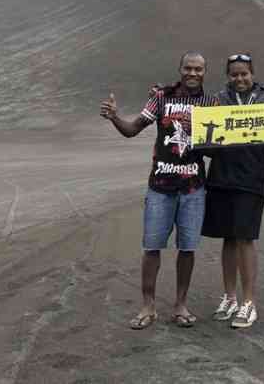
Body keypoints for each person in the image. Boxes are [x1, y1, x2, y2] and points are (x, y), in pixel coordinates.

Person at [100, 51, 218, 329]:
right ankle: (147, 306)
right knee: (152, 247)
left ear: (204, 72)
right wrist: (115, 117)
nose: (192, 73)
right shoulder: (162, 97)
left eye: (198, 69)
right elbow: (132, 130)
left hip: (193, 188)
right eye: (188, 68)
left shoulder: (212, 103)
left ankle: (180, 305)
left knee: (187, 249)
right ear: (180, 69)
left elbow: (218, 147)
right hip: (160, 187)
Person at [202, 53, 264, 329]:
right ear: (228, 76)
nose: (239, 79)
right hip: (221, 178)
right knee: (228, 239)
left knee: (245, 238)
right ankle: (230, 297)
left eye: (244, 73)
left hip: (252, 180)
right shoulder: (219, 99)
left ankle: (249, 303)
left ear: (252, 73)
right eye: (234, 74)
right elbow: (206, 140)